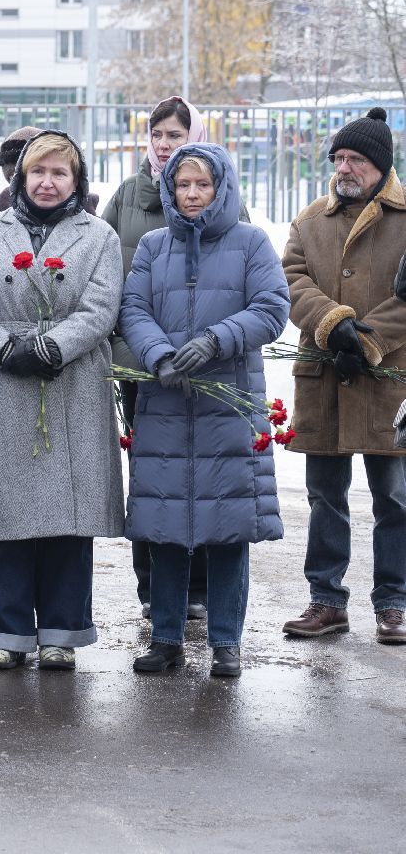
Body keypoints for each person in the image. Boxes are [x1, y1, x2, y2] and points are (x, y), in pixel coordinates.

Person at [0, 130, 124, 672]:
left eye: (59, 173)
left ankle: (61, 632)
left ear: (77, 181)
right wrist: (4, 347)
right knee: (5, 514)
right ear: (21, 177)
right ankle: (2, 628)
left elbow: (101, 310)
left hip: (71, 382)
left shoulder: (99, 237)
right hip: (6, 381)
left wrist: (53, 345)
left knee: (68, 519)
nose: (47, 183)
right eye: (37, 172)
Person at [120, 144, 290, 677]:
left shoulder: (251, 242)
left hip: (227, 403)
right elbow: (133, 308)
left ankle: (225, 642)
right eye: (182, 186)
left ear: (221, 187)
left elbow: (272, 307)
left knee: (228, 528)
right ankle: (166, 637)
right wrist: (158, 353)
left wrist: (217, 340)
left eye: (202, 185)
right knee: (166, 523)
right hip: (167, 402)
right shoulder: (152, 245)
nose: (192, 195)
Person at [281, 107, 406, 645]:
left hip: (389, 382)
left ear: (381, 166)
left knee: (395, 499)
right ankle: (326, 600)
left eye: (355, 158)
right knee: (324, 497)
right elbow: (290, 279)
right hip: (326, 378)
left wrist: (369, 339)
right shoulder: (310, 220)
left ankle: (395, 603)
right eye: (338, 158)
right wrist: (334, 327)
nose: (344, 167)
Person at [103, 96, 222, 619]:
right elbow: (106, 270)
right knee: (150, 470)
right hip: (140, 361)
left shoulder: (217, 196)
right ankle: (151, 584)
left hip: (203, 362)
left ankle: (197, 584)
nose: (164, 144)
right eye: (157, 135)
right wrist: (136, 349)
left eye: (175, 134)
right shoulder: (128, 194)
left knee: (201, 468)